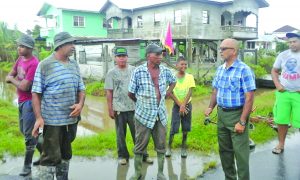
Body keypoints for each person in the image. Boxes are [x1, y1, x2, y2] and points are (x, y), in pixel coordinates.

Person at [31, 32, 85, 179]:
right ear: (60, 45)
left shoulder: (74, 64)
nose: (73, 46)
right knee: (50, 157)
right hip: (52, 122)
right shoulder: (45, 65)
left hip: (70, 121)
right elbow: (36, 93)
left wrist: (80, 104)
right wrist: (38, 118)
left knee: (66, 154)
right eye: (70, 43)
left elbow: (81, 88)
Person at [204, 38, 256, 180]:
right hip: (221, 115)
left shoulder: (244, 70)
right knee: (225, 151)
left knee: (241, 154)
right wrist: (210, 107)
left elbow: (249, 97)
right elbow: (215, 91)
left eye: (223, 48)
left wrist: (243, 121)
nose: (220, 51)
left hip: (237, 115)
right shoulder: (220, 69)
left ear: (233, 51)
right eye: (219, 48)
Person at [128, 43, 176, 180]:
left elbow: (173, 81)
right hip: (143, 115)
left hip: (160, 115)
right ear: (149, 55)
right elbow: (131, 93)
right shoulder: (138, 71)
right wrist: (142, 103)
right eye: (157, 54)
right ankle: (137, 173)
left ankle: (160, 173)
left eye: (161, 54)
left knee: (161, 145)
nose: (160, 57)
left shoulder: (165, 70)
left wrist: (168, 92)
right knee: (139, 146)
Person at [104, 47, 153, 165]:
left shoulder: (134, 70)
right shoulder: (111, 73)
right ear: (115, 58)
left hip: (134, 108)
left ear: (127, 57)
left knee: (138, 134)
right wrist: (110, 109)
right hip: (119, 108)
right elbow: (109, 92)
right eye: (119, 56)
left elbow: (141, 87)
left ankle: (143, 154)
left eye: (123, 56)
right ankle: (123, 156)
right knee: (120, 134)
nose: (122, 59)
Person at [5, 34, 39, 176]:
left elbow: (25, 87)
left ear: (30, 48)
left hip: (30, 102)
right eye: (19, 45)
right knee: (25, 131)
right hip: (21, 101)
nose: (19, 48)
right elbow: (8, 75)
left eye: (22, 46)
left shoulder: (34, 63)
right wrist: (14, 80)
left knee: (29, 135)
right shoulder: (20, 59)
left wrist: (13, 80)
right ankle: (45, 155)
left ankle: (27, 166)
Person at [271, 32, 300, 154]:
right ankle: (281, 144)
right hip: (284, 93)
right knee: (282, 120)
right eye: (290, 42)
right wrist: (277, 84)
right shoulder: (283, 55)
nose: (291, 44)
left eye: (294, 41)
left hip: (298, 94)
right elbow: (274, 70)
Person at [165, 56, 195, 158]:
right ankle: (169, 147)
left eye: (185, 64)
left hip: (187, 105)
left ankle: (183, 147)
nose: (184, 66)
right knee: (174, 126)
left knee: (186, 127)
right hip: (177, 105)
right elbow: (170, 92)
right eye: (182, 64)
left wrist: (183, 105)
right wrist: (179, 104)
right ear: (177, 65)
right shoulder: (172, 77)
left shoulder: (190, 77)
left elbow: (190, 92)